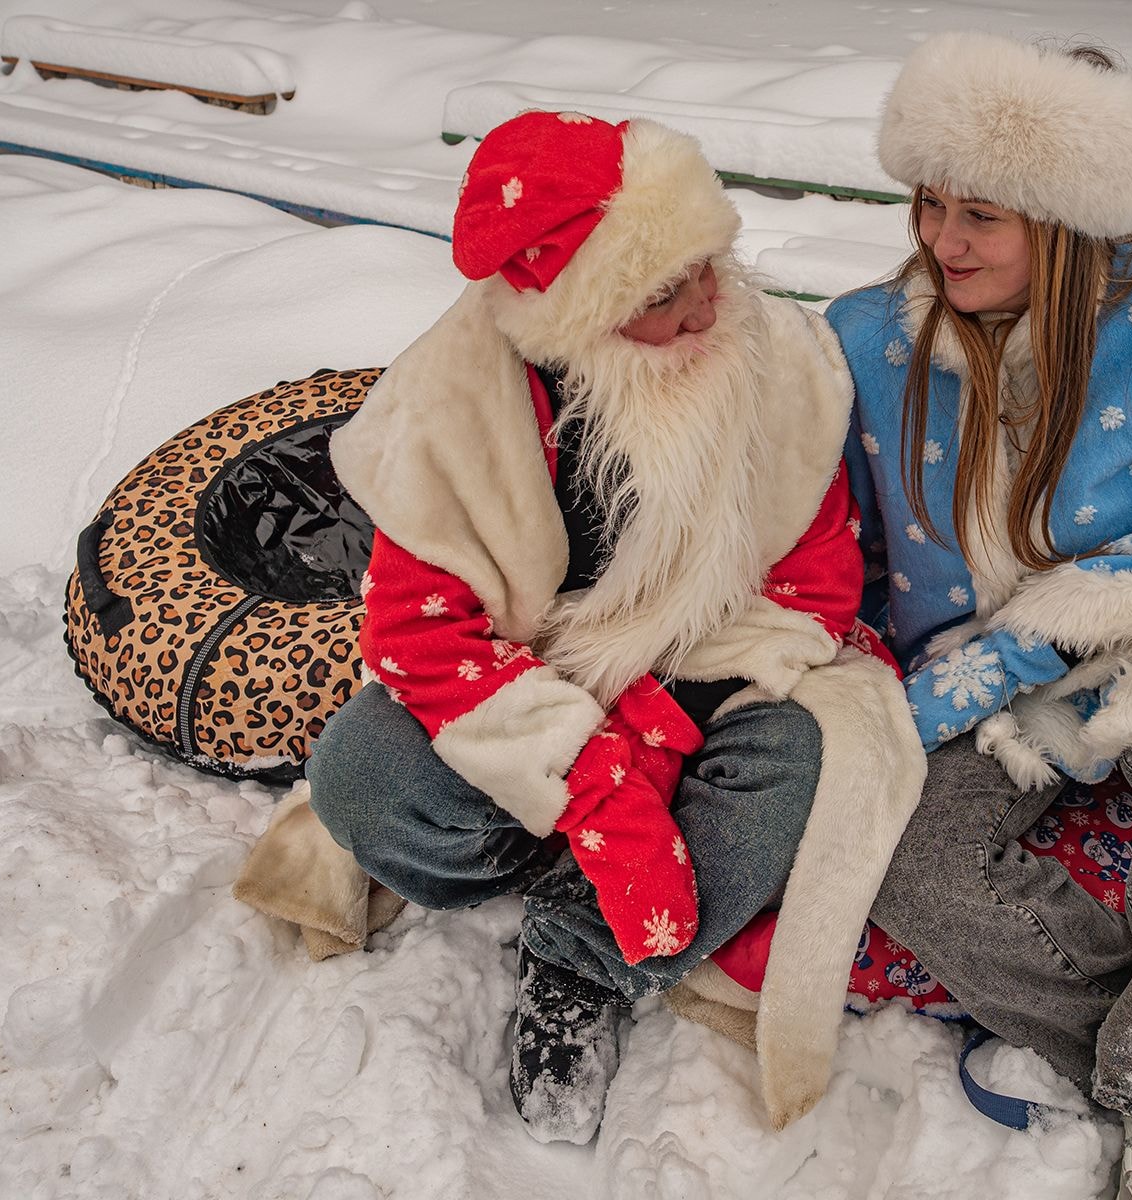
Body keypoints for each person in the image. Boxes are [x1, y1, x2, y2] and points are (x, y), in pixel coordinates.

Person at [293, 110, 917, 1145]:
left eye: (706, 265)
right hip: (540, 688)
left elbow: (813, 593)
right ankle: (592, 865)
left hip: (715, 679)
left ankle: (580, 950)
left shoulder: (778, 361)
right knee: (360, 773)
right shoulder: (451, 407)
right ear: (571, 317)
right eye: (660, 295)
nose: (708, 307)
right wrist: (600, 791)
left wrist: (657, 735)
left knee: (807, 758)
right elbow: (422, 640)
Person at [826, 33, 1132, 1200]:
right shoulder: (865, 337)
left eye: (983, 216)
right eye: (930, 203)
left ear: (1064, 226)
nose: (941, 240)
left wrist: (1032, 644)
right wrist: (908, 697)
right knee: (898, 854)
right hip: (963, 683)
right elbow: (837, 564)